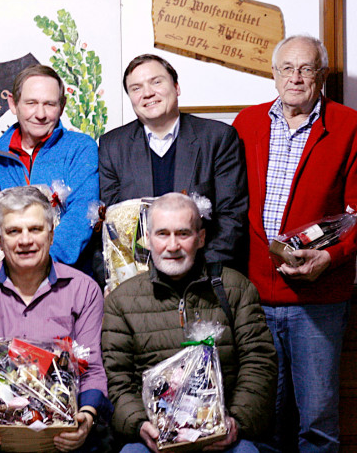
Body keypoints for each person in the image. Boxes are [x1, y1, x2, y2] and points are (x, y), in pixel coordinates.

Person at [232, 34, 357, 453]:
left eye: (307, 68)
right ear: (273, 74)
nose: (296, 77)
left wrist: (332, 256)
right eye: (287, 68)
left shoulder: (349, 126)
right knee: (265, 422)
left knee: (317, 426)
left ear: (321, 75)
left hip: (318, 302)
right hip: (255, 298)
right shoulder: (246, 123)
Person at [102, 193, 277, 453]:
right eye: (162, 234)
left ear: (201, 238)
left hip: (223, 435)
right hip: (154, 438)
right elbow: (117, 380)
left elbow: (259, 363)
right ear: (147, 240)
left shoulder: (235, 288)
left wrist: (235, 422)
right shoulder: (121, 301)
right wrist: (139, 424)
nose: (173, 246)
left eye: (183, 234)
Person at [0, 186, 110, 452]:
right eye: (13, 231)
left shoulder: (84, 289)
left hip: (61, 438)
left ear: (51, 233)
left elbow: (93, 367)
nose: (25, 240)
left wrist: (85, 419)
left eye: (35, 229)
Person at [98, 54, 247, 271]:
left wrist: (196, 271)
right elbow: (112, 225)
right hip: (138, 280)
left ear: (177, 87)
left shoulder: (218, 138)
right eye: (136, 88)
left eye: (156, 82)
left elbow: (232, 218)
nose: (148, 93)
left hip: (203, 274)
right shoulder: (112, 146)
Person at [0, 65, 99, 268]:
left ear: (62, 106)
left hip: (64, 277)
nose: (40, 114)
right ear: (13, 104)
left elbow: (83, 213)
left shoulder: (80, 148)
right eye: (31, 103)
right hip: (6, 281)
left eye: (50, 104)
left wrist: (38, 264)